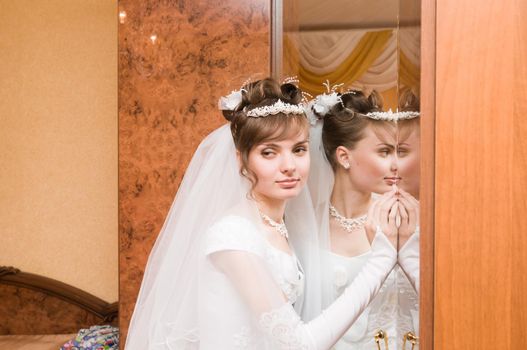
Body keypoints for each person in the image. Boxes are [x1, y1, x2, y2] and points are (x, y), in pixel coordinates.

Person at [125, 78, 398, 350]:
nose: (289, 165)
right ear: (241, 159)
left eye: (299, 150)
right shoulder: (232, 235)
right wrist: (381, 261)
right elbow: (299, 344)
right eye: (269, 153)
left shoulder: (278, 226)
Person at [306, 87, 419, 349]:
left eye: (398, 152)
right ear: (344, 157)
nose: (396, 165)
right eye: (383, 152)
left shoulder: (408, 218)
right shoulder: (306, 226)